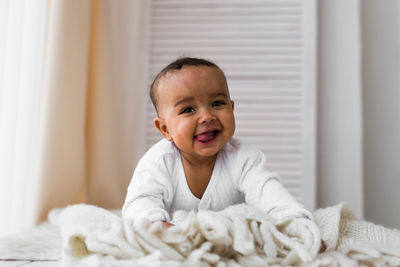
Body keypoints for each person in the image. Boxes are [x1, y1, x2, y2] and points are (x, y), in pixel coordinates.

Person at [122, 57, 313, 230]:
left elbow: (274, 198)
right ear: (165, 129)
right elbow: (139, 205)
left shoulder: (243, 158)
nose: (206, 116)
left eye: (216, 103)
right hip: (180, 240)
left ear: (232, 108)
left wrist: (297, 225)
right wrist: (160, 228)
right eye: (188, 109)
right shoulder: (158, 162)